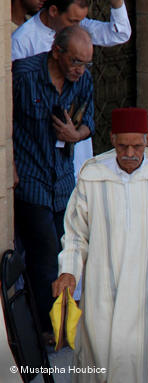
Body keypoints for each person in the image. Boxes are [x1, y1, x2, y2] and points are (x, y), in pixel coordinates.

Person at [52, 107, 148, 382]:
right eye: (122, 146)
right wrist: (68, 271)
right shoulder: (92, 176)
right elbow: (74, 234)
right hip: (104, 296)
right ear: (112, 139)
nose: (130, 153)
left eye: (136, 146)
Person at [12, 25, 94, 339]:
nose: (80, 69)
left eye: (86, 63)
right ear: (56, 52)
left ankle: (64, 320)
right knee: (44, 253)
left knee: (66, 250)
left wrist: (77, 134)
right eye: (75, 62)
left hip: (62, 181)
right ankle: (48, 328)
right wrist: (11, 167)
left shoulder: (83, 80)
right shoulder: (24, 75)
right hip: (31, 179)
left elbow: (90, 123)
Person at [12, 0, 132, 178]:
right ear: (54, 11)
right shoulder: (23, 40)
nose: (79, 26)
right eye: (73, 20)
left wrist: (116, 3)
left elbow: (119, 33)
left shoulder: (77, 27)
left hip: (77, 153)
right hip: (38, 158)